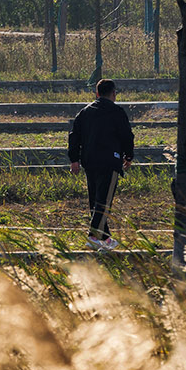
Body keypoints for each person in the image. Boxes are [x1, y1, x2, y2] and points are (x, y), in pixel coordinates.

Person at [68, 78, 134, 251]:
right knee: (104, 202)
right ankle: (93, 236)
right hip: (110, 161)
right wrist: (129, 155)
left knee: (95, 200)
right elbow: (127, 136)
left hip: (89, 161)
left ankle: (104, 239)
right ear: (113, 94)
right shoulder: (117, 112)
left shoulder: (85, 112)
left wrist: (74, 159)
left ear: (97, 93)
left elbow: (74, 136)